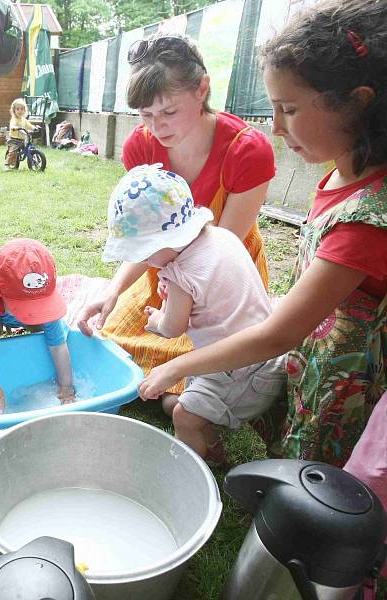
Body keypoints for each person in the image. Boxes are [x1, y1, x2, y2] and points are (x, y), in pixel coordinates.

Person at [138, 0, 387, 469]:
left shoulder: (365, 220)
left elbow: (277, 334)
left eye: (288, 109)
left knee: (313, 485)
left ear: (357, 102)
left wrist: (176, 367)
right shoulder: (339, 175)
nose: (274, 127)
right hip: (309, 349)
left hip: (343, 381)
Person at [78, 33, 276, 401]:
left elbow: (215, 253)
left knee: (211, 359)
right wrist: (113, 290)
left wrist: (174, 311)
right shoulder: (140, 145)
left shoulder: (247, 151)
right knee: (114, 343)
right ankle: (177, 390)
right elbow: (146, 238)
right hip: (164, 272)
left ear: (202, 89)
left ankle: (182, 390)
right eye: (146, 115)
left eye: (168, 112)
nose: (157, 126)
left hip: (222, 282)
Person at [106, 164, 285, 464]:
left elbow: (173, 329)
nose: (148, 262)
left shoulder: (181, 273)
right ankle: (211, 441)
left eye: (147, 253)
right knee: (190, 395)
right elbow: (210, 294)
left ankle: (196, 467)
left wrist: (155, 321)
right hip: (264, 357)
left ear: (168, 241)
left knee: (183, 415)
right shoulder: (222, 237)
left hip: (239, 372)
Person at [0, 238, 74, 413]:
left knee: (60, 330)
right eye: (26, 307)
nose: (32, 312)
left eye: (37, 306)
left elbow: (58, 345)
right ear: (1, 293)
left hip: (24, 316)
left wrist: (66, 387)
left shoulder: (46, 307)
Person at [4, 97, 35, 170]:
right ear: (14, 110)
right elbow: (12, 125)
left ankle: (34, 161)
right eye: (17, 109)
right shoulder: (14, 119)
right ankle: (7, 164)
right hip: (14, 140)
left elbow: (29, 125)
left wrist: (34, 128)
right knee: (13, 151)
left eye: (22, 109)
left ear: (24, 110)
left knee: (27, 148)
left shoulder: (24, 119)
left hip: (22, 139)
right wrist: (15, 127)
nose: (20, 111)